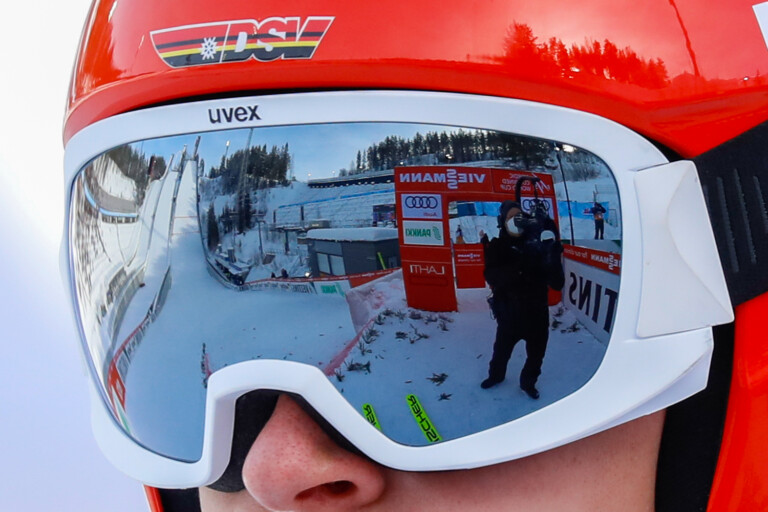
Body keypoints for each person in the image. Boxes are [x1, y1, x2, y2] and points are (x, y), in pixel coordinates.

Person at [62, 2, 768, 512]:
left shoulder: (540, 251)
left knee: (518, 355)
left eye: (439, 411)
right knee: (506, 356)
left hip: (530, 321)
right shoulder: (497, 250)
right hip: (511, 315)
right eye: (194, 410)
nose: (273, 471)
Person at [480, 200, 564, 398]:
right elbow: (491, 276)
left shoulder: (538, 246)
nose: (516, 220)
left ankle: (528, 383)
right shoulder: (497, 247)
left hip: (537, 315)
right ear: (502, 221)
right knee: (500, 353)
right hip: (509, 316)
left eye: (520, 215)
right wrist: (520, 266)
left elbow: (557, 284)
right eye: (511, 217)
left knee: (536, 357)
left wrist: (552, 257)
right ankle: (496, 376)